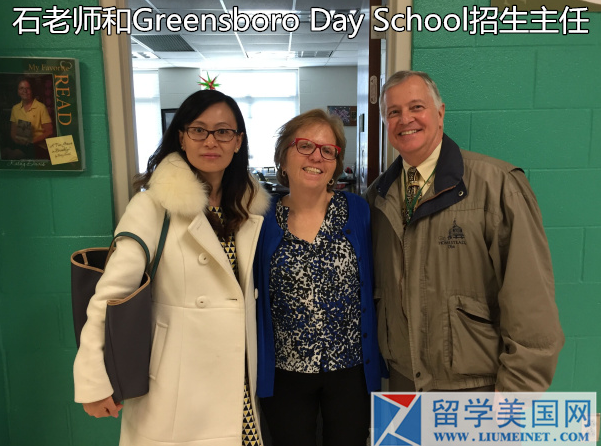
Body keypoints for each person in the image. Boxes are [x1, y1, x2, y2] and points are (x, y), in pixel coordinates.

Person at [73, 89, 270, 446]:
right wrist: (93, 380)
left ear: (238, 141)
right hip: (177, 386)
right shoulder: (152, 206)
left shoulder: (246, 209)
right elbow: (110, 295)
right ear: (181, 137)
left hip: (236, 380)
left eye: (223, 131)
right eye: (199, 130)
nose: (211, 141)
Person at [365, 70, 564, 393]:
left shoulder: (497, 186)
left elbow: (530, 302)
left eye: (416, 107)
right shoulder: (378, 197)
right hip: (403, 383)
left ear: (440, 113)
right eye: (394, 112)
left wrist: (517, 393)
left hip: (478, 387)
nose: (405, 119)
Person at [255, 109, 382, 446]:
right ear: (283, 157)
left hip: (351, 370)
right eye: (305, 146)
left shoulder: (358, 210)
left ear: (336, 165)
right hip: (284, 373)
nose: (317, 157)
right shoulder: (260, 218)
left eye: (328, 150)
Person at [9, 78, 53, 159]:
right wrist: (18, 141)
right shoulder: (15, 108)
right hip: (21, 145)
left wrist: (32, 141)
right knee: (7, 152)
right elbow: (13, 132)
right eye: (21, 88)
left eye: (27, 88)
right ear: (18, 92)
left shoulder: (41, 107)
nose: (24, 91)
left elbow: (49, 131)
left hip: (38, 146)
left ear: (31, 90)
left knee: (14, 155)